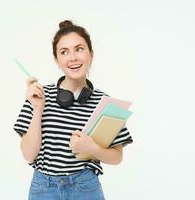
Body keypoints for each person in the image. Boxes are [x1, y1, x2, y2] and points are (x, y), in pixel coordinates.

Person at [13, 20, 133, 200]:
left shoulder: (106, 103)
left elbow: (117, 157)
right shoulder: (38, 95)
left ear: (91, 54)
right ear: (57, 60)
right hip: (43, 189)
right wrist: (38, 109)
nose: (73, 57)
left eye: (79, 49)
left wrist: (92, 148)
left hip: (85, 187)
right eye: (64, 52)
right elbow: (29, 155)